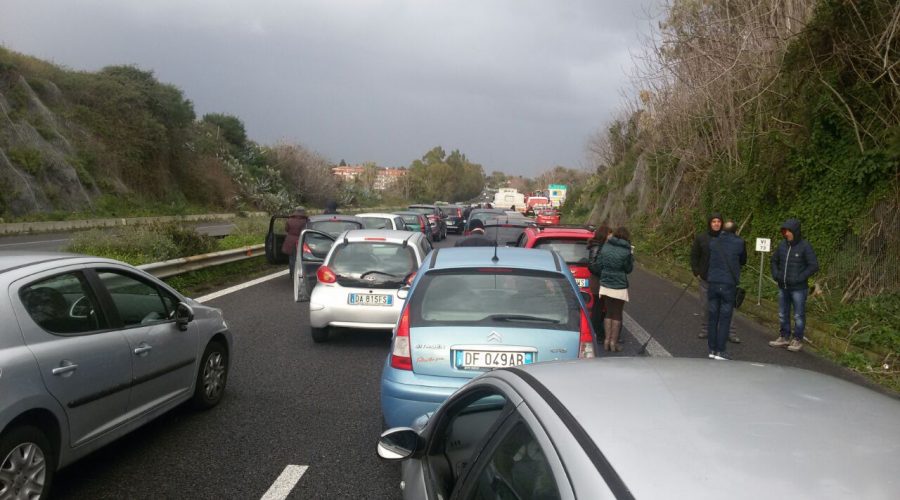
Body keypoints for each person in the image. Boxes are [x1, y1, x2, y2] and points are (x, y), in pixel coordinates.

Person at [768, 218, 819, 352]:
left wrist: (799, 278)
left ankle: (797, 339)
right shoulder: (782, 245)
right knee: (782, 313)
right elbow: (774, 260)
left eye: (789, 231)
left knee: (798, 315)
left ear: (795, 231)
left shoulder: (805, 246)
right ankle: (784, 337)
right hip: (783, 286)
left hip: (799, 289)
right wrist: (776, 274)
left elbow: (813, 265)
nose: (786, 233)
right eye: (784, 231)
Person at [690, 213, 740, 343]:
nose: (716, 224)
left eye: (719, 221)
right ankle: (705, 329)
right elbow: (694, 256)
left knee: (729, 308)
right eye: (714, 221)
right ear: (710, 223)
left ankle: (731, 332)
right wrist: (697, 271)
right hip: (706, 279)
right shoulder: (701, 238)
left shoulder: (729, 238)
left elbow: (738, 257)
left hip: (725, 280)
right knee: (706, 307)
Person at [705, 220, 747, 360]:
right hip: (728, 284)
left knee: (712, 317)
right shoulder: (739, 243)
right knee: (724, 318)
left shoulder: (714, 242)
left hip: (713, 283)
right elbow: (743, 260)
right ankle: (720, 351)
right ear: (735, 231)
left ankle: (711, 349)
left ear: (722, 229)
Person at [595, 226, 633, 352]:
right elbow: (628, 269)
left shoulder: (605, 246)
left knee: (609, 313)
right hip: (619, 285)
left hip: (605, 284)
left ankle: (606, 341)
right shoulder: (627, 250)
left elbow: (599, 264)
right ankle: (613, 342)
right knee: (617, 314)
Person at [587, 224, 612, 337]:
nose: (611, 236)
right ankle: (597, 332)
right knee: (598, 307)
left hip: (599, 280)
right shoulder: (597, 247)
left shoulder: (600, 246)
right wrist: (604, 273)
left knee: (600, 306)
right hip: (598, 281)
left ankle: (597, 331)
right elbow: (592, 265)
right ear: (604, 234)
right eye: (609, 234)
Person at [282, 207, 309, 277]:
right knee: (300, 258)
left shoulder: (289, 220)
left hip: (290, 241)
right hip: (300, 240)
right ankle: (299, 274)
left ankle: (292, 274)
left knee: (291, 258)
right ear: (303, 212)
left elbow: (286, 229)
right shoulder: (305, 221)